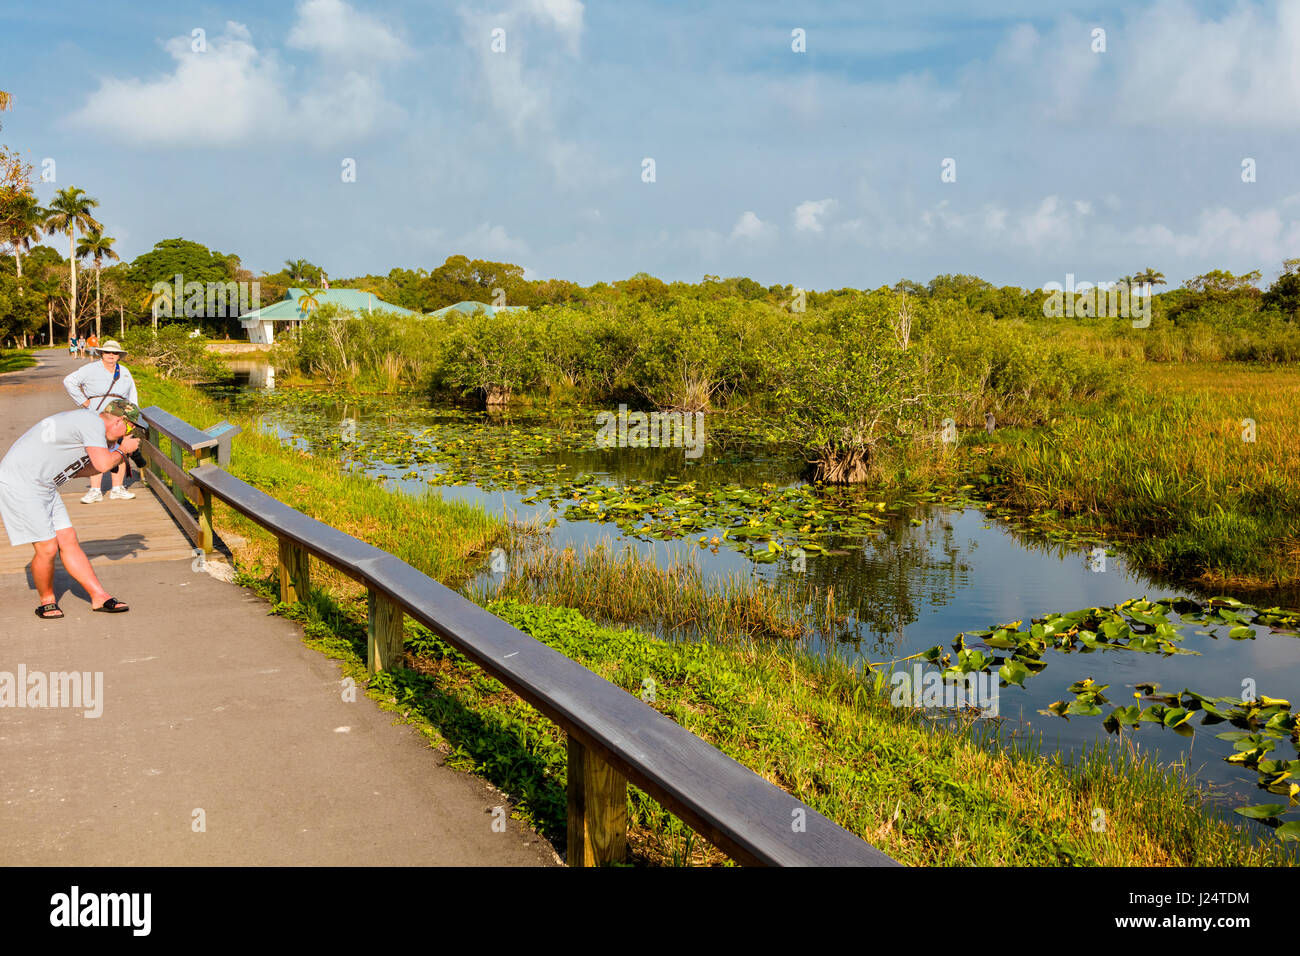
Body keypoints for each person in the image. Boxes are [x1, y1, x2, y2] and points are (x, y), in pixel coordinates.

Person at [0, 399, 144, 617]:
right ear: (120, 420)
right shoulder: (92, 424)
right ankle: (47, 601)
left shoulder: (87, 423)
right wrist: (123, 451)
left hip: (44, 483)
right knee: (48, 548)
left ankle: (99, 596)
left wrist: (115, 455)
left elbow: (83, 470)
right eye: (130, 427)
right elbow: (104, 465)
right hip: (21, 484)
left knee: (68, 539)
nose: (128, 432)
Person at [62, 339, 140, 503]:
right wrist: (84, 402)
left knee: (120, 449)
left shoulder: (124, 372)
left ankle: (117, 488)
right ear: (101, 354)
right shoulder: (90, 369)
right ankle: (95, 490)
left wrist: (133, 416)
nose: (111, 355)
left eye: (115, 353)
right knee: (97, 451)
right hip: (97, 416)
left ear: (119, 356)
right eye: (108, 352)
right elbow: (69, 381)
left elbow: (132, 395)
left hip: (120, 418)